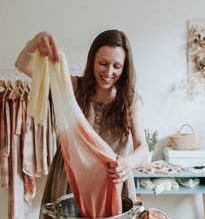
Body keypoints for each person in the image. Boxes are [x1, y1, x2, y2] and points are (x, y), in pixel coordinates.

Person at [15, 30, 149, 217]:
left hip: (112, 180)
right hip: (70, 177)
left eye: (117, 66)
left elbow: (143, 147)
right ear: (92, 59)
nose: (109, 72)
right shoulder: (74, 88)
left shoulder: (130, 101)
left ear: (125, 67)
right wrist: (35, 42)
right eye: (102, 63)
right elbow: (22, 65)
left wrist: (127, 163)